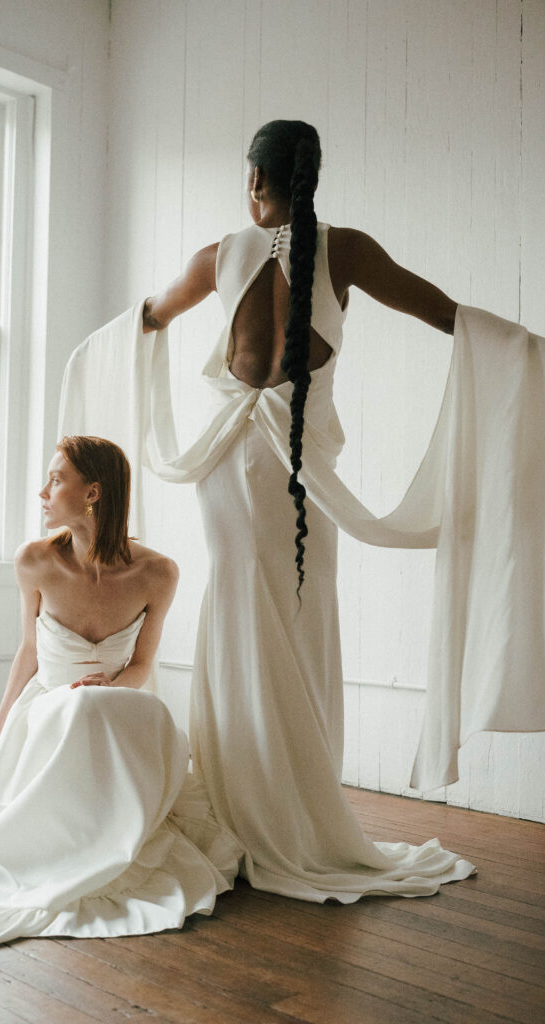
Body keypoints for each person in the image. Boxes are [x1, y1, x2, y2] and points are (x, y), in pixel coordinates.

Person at [140, 119, 476, 901]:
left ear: (255, 180)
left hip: (228, 464)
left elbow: (149, 317)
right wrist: (516, 347)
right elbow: (442, 312)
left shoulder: (215, 256)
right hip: (289, 465)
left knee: (245, 613)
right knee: (299, 613)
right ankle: (291, 795)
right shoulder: (345, 249)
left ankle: (249, 797)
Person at [0, 435, 241, 955]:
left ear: (93, 493)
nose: (42, 492)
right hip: (45, 707)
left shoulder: (158, 572)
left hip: (116, 701)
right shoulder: (35, 561)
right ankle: (64, 841)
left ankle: (109, 831)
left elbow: (143, 664)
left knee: (112, 708)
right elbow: (28, 652)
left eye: (56, 479)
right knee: (74, 707)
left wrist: (107, 687)